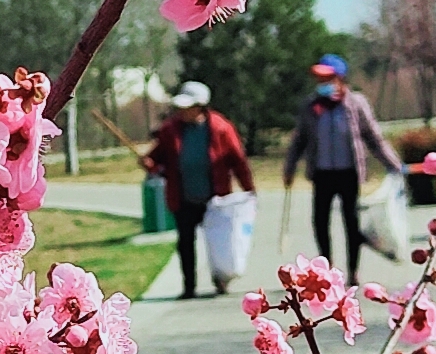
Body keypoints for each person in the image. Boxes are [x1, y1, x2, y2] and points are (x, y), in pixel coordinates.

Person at [282, 54, 404, 285]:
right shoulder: (311, 106)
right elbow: (299, 140)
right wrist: (289, 167)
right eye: (319, 79)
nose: (322, 83)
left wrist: (393, 164)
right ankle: (326, 269)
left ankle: (353, 271)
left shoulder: (356, 104)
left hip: (349, 173)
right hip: (322, 173)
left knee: (351, 222)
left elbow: (373, 137)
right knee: (320, 221)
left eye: (327, 78)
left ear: (340, 78)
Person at [144, 81, 255, 299]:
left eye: (188, 107)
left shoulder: (221, 128)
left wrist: (249, 189)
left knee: (219, 242)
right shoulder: (170, 130)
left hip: (215, 197)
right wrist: (149, 164)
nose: (183, 112)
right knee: (185, 242)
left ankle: (221, 279)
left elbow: (237, 160)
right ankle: (189, 286)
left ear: (201, 106)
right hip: (183, 197)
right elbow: (157, 158)